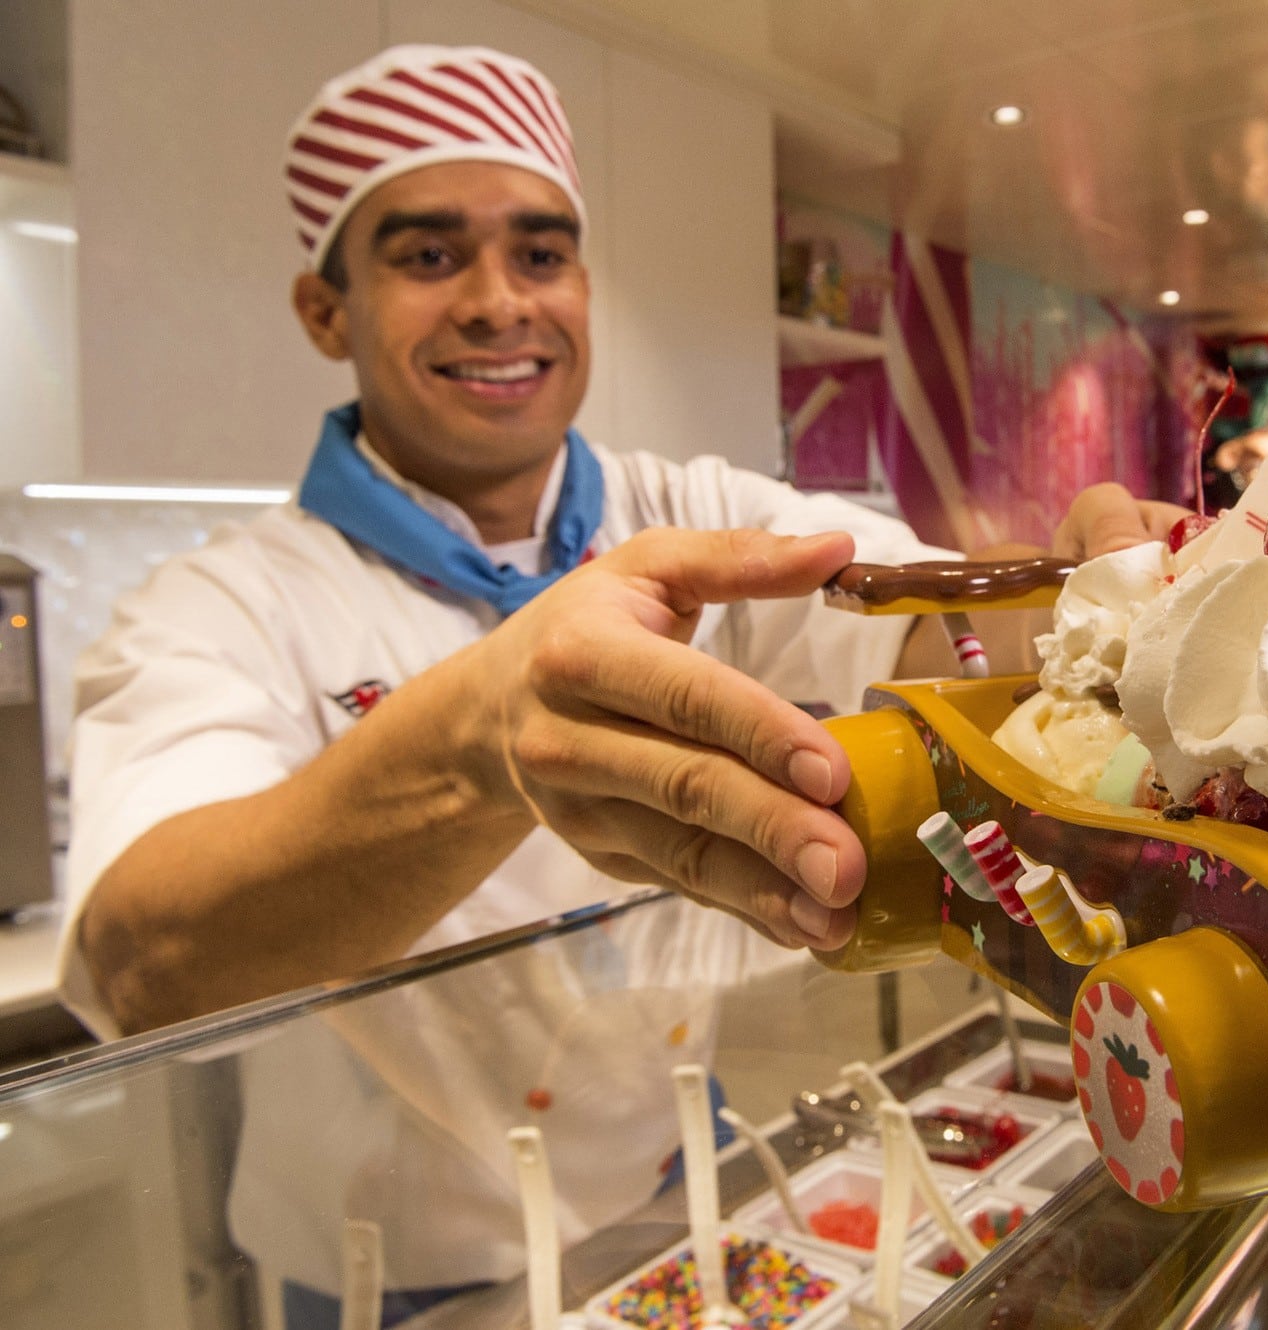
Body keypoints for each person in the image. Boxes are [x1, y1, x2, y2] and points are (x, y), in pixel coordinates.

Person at [53, 45, 1180, 1325]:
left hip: (678, 1205)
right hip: (377, 1280)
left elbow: (924, 627)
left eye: (540, 254)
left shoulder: (685, 512)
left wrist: (1112, 608)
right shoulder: (224, 603)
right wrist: (483, 734)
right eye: (427, 256)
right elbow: (143, 958)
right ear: (326, 312)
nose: (497, 302)